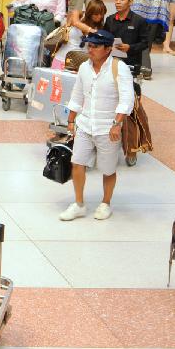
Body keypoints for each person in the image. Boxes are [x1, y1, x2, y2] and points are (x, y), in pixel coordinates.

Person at [59, 29, 135, 222]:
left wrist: (117, 124)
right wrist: (70, 120)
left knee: (108, 169)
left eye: (95, 46)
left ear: (108, 49)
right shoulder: (84, 67)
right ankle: (79, 204)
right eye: (88, 45)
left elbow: (127, 100)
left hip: (108, 128)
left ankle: (105, 203)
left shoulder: (120, 68)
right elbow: (77, 95)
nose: (90, 49)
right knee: (77, 162)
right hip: (85, 124)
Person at [131, 0, 171, 76]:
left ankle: (138, 66)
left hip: (139, 17)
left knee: (136, 40)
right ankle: (145, 66)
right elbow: (165, 1)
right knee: (147, 43)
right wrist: (162, 20)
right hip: (154, 18)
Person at [103, 0, 149, 78]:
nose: (118, 2)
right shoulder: (109, 20)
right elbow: (104, 40)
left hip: (131, 65)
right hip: (111, 63)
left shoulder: (139, 21)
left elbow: (145, 43)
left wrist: (130, 47)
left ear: (130, 2)